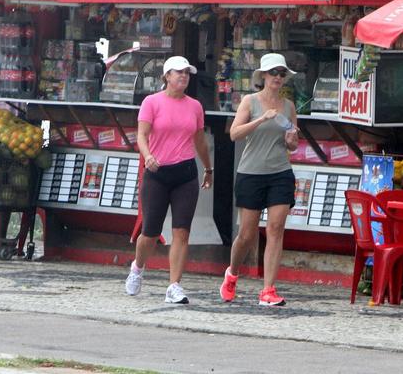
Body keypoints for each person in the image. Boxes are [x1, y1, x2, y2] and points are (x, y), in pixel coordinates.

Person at [125, 56, 214, 304]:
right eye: (178, 72)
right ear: (166, 76)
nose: (183, 76)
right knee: (150, 231)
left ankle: (174, 285)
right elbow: (142, 135)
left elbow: (199, 140)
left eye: (187, 73)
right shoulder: (151, 102)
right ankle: (138, 267)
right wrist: (148, 155)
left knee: (182, 231)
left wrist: (208, 168)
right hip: (157, 171)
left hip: (185, 172)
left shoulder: (195, 106)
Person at [220, 53, 299, 306]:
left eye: (281, 73)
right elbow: (234, 134)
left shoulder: (288, 106)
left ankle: (268, 290)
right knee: (247, 234)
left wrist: (291, 141)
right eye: (273, 72)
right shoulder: (249, 101)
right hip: (251, 173)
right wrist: (261, 119)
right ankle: (232, 273)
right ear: (263, 76)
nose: (277, 77)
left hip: (280, 172)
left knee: (276, 229)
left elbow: (293, 143)